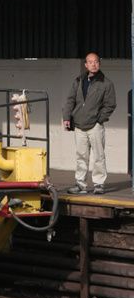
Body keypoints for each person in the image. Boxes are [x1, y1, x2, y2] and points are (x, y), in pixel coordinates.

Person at [62, 52, 116, 195]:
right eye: (90, 62)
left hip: (95, 126)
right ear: (85, 65)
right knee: (81, 156)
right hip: (79, 125)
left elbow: (110, 105)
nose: (93, 64)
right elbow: (70, 100)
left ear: (99, 63)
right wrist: (67, 117)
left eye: (96, 62)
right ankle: (80, 184)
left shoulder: (106, 83)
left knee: (98, 156)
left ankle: (99, 184)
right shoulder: (78, 80)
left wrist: (99, 119)